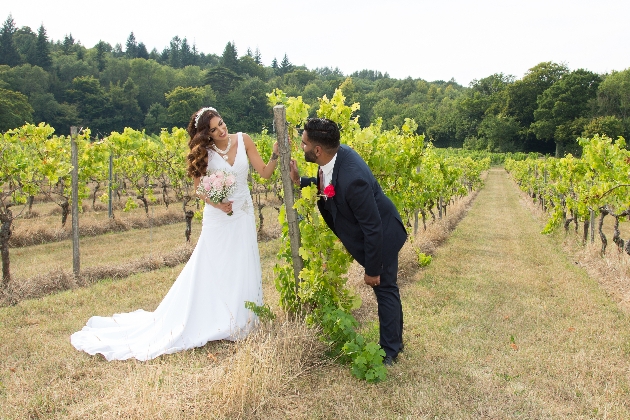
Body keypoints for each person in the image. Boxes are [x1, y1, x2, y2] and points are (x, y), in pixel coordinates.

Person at [71, 107, 279, 361]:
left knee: (242, 264)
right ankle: (215, 317)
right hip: (219, 217)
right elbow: (198, 190)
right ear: (206, 134)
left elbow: (265, 174)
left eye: (221, 123)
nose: (221, 130)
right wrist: (217, 203)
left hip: (243, 214)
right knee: (214, 266)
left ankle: (242, 318)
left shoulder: (244, 139)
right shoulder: (205, 154)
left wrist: (275, 156)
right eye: (213, 129)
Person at [289, 118, 407, 366]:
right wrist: (301, 182)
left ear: (318, 150)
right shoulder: (334, 157)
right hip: (375, 232)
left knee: (384, 288)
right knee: (386, 289)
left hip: (383, 235)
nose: (302, 147)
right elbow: (329, 186)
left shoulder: (353, 179)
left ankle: (390, 350)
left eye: (304, 143)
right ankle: (395, 341)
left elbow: (372, 227)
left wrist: (372, 270)